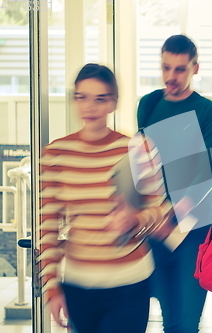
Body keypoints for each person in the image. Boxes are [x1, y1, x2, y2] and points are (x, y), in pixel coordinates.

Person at [39, 63, 176, 333]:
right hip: (78, 284)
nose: (90, 106)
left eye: (100, 98)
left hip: (129, 283)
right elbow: (48, 227)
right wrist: (51, 287)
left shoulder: (136, 149)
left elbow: (161, 210)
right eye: (82, 97)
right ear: (74, 100)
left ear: (112, 102)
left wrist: (134, 219)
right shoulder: (56, 154)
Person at [136, 34, 212, 332]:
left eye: (180, 69)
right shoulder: (148, 105)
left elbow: (204, 175)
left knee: (185, 321)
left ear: (195, 69)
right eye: (166, 68)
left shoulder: (209, 113)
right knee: (162, 314)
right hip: (153, 226)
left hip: (193, 231)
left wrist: (172, 215)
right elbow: (143, 165)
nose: (171, 77)